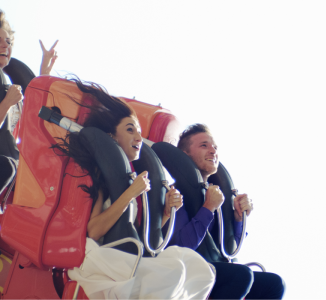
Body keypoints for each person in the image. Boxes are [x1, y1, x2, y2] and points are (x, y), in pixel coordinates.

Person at [53, 79, 215, 299]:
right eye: (130, 130)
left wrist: (166, 212)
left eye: (139, 131)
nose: (138, 138)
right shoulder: (105, 175)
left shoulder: (136, 177)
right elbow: (95, 230)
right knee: (175, 272)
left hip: (133, 255)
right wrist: (130, 193)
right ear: (112, 136)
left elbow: (143, 235)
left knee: (199, 270)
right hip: (106, 259)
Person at [163, 123, 285, 299]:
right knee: (241, 275)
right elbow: (182, 247)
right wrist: (208, 208)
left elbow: (229, 249)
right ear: (185, 155)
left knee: (273, 283)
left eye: (215, 147)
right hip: (185, 271)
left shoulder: (218, 195)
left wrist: (238, 218)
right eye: (204, 145)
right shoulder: (175, 194)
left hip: (218, 269)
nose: (213, 151)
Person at [0, 9, 58, 195]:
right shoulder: (8, 95)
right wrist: (7, 102)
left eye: (8, 42)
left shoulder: (9, 89)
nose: (4, 46)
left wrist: (44, 73)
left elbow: (32, 121)